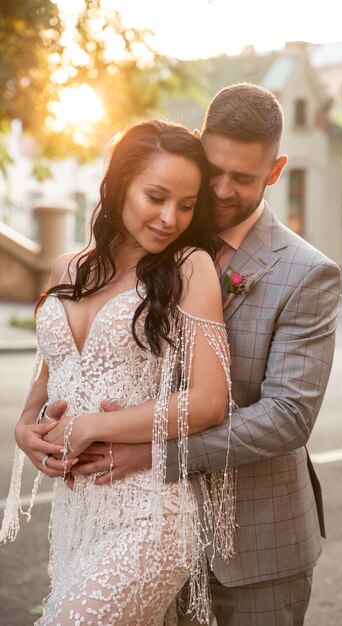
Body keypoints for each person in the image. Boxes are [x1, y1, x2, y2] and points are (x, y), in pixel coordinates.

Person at [16, 83, 341, 625]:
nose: (220, 189)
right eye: (211, 169)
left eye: (242, 177)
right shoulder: (152, 241)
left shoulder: (305, 273)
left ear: (275, 170)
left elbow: (288, 418)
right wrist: (29, 423)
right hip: (118, 510)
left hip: (253, 544)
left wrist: (153, 454)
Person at [0, 120, 236, 625]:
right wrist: (25, 429)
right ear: (119, 184)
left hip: (150, 515)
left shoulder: (189, 266)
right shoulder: (67, 268)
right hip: (78, 514)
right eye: (156, 196)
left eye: (187, 205)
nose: (170, 218)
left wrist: (92, 426)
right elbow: (50, 375)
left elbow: (210, 399)